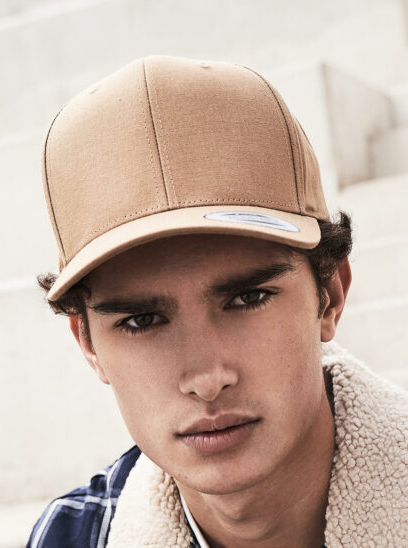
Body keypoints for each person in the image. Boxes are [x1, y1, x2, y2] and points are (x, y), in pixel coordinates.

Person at [27, 55, 408, 548]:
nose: (207, 381)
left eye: (248, 298)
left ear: (329, 295)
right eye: (142, 320)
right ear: (88, 344)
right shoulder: (73, 536)